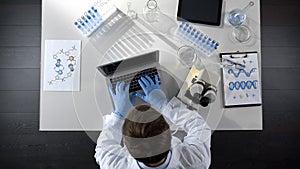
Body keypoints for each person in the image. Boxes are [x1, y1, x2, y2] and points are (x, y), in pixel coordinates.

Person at [95, 75, 211, 169]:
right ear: (169, 134)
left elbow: (102, 148)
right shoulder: (196, 160)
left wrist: (119, 114)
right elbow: (199, 126)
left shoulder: (114, 165)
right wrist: (163, 104)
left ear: (128, 148)